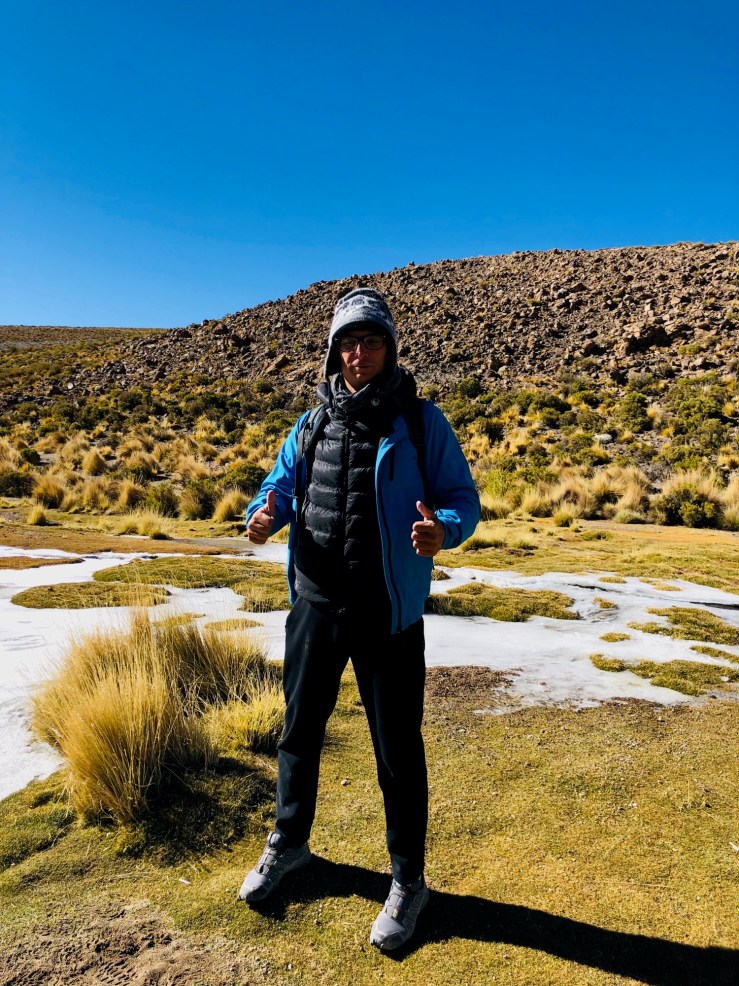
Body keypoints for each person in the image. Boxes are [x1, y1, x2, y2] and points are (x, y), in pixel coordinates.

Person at [238, 286, 480, 952]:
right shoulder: (311, 422)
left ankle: (407, 881)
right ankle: (288, 844)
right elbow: (281, 486)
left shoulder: (420, 421)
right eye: (348, 342)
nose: (358, 353)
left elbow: (461, 498)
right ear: (332, 351)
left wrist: (445, 531)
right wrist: (264, 515)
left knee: (396, 752)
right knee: (297, 734)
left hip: (386, 612)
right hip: (315, 604)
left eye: (371, 341)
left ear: (389, 348)